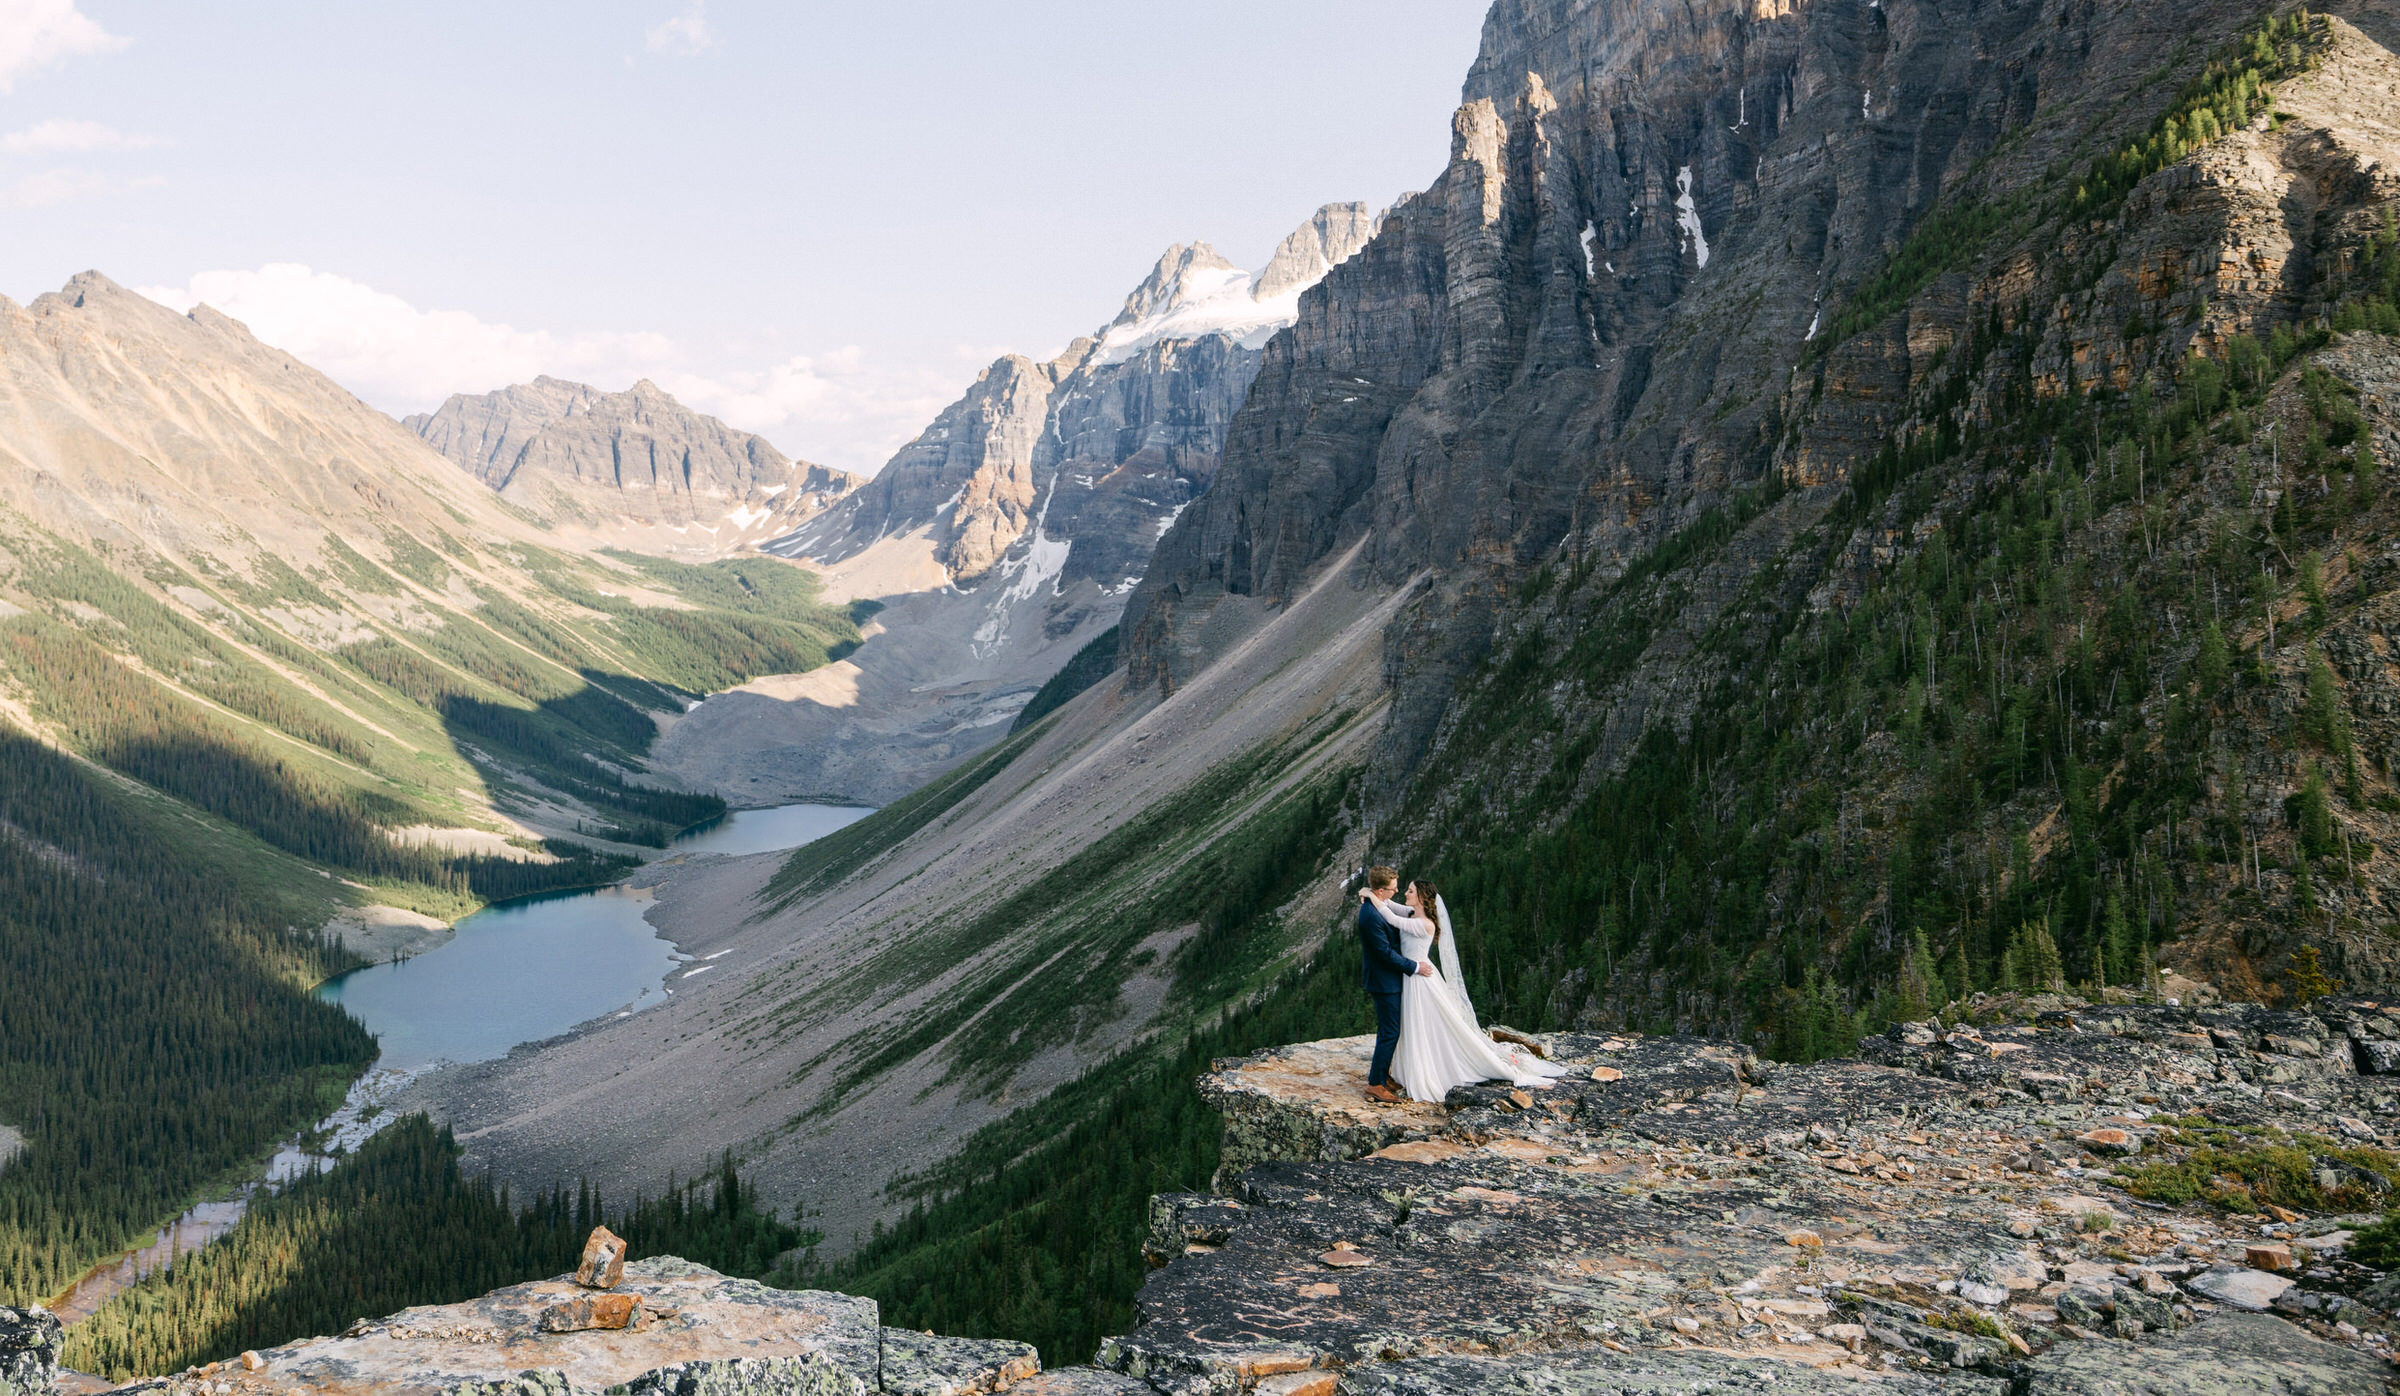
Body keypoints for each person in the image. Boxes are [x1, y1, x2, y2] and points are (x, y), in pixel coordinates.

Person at [1365, 878, 1567, 1103]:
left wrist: (1372, 897)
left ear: (1421, 898)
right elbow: (1392, 907)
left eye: (1410, 891)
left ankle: (1430, 1067)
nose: (1404, 893)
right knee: (1416, 1025)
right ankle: (1409, 1069)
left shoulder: (1425, 924)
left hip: (1420, 978)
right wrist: (1370, 892)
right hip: (1414, 976)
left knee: (1424, 1023)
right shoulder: (1413, 913)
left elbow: (1391, 916)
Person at [1355, 865, 1431, 1104]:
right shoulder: (1371, 916)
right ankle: (1375, 1084)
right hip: (1384, 981)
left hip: (1389, 979)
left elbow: (1394, 913)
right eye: (1393, 888)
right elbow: (1384, 953)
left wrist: (1366, 892)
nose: (1397, 890)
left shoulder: (1379, 906)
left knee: (1391, 1030)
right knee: (1390, 1031)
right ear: (1380, 891)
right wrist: (1415, 967)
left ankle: (1382, 1076)